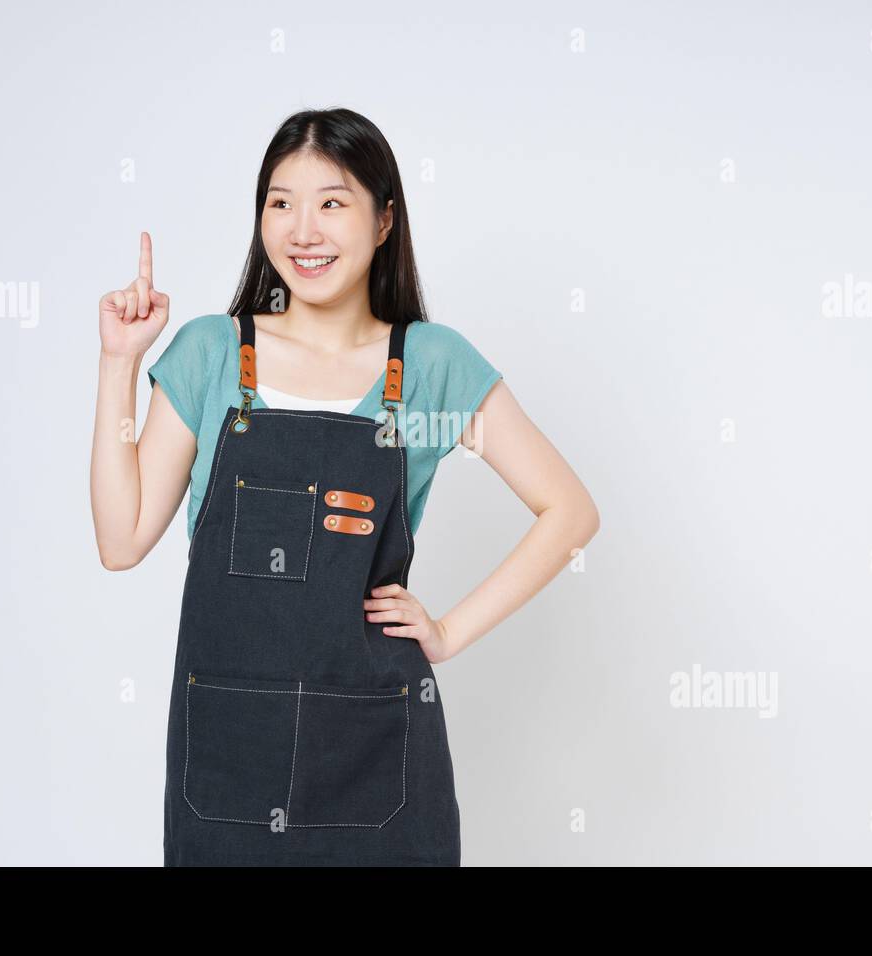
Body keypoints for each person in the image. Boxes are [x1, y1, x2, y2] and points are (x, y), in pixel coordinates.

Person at [89, 108, 599, 866]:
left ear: (384, 219)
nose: (303, 230)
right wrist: (119, 363)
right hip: (229, 750)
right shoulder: (211, 352)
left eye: (331, 203)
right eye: (280, 202)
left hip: (376, 751)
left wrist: (449, 632)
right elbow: (121, 540)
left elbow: (570, 511)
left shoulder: (430, 367)